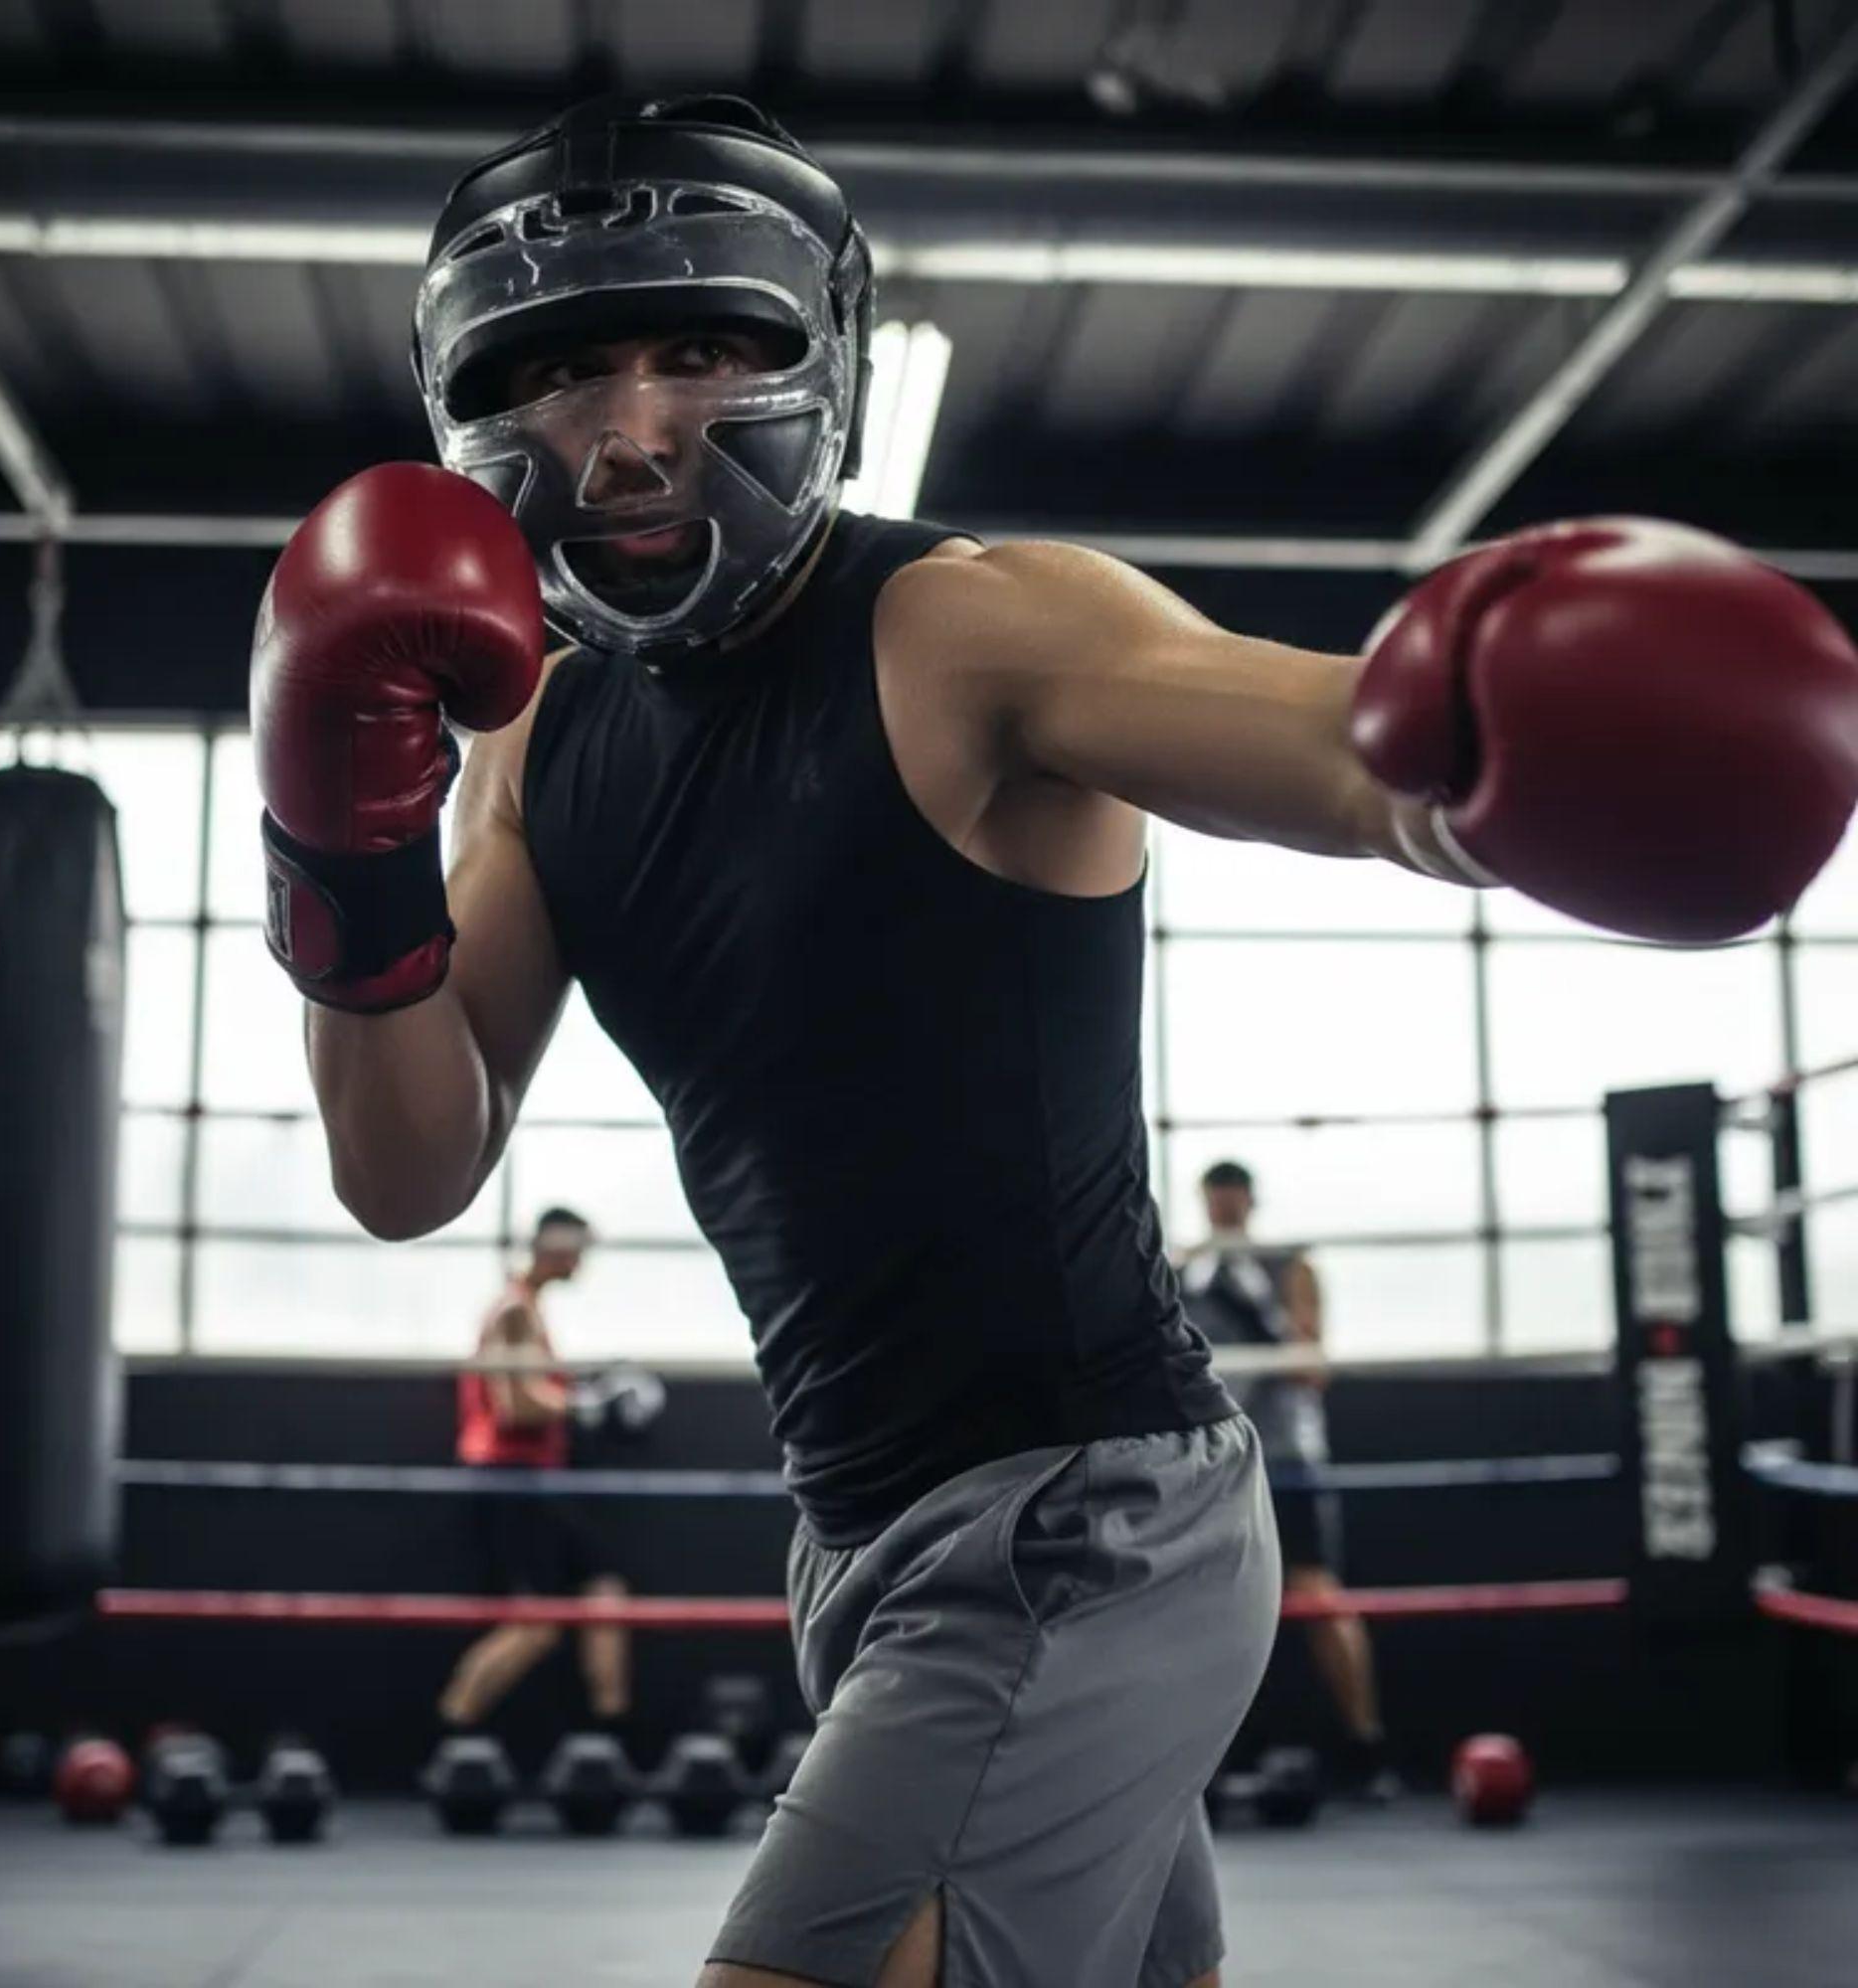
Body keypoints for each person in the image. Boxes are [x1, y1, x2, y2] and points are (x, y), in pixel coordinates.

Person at [248, 92, 1858, 1988]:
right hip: (856, 1540)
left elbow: (1331, 746)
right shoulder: (536, 738)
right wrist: (334, 839)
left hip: (1086, 1526)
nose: (628, 433)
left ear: (815, 362)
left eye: (701, 347)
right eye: (562, 368)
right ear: (467, 412)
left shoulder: (964, 626)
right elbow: (409, 1164)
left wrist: (1486, 750)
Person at [1178, 1161, 1397, 1803]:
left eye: (1232, 1197)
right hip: (1209, 1458)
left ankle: (1365, 1746)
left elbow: (1310, 1370)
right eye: (1214, 1198)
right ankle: (1192, 1768)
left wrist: (1258, 1314)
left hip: (1286, 1456)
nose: (1223, 1208)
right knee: (1196, 1603)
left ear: (1249, 1200)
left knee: (1318, 1595)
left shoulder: (1287, 1267)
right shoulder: (1180, 1271)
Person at [438, 1207, 632, 1734]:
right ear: (555, 1246)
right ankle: (450, 1739)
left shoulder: (530, 1310)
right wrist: (587, 1403)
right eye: (579, 1249)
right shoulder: (514, 1311)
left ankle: (611, 1738)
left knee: (603, 1596)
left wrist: (581, 1393)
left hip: (537, 1480)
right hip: (509, 1479)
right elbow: (515, 1407)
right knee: (537, 1625)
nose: (582, 1262)